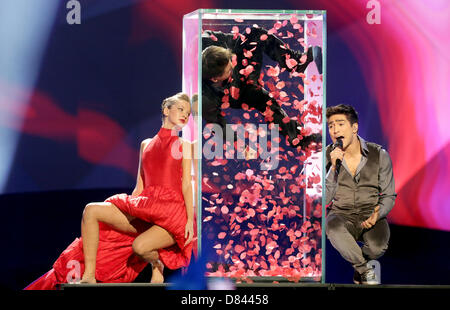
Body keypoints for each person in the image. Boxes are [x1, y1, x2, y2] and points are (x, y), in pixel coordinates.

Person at [25, 93, 195, 289]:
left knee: (139, 247)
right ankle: (89, 275)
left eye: (188, 113)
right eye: (181, 109)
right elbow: (140, 186)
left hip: (171, 213)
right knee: (91, 210)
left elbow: (186, 185)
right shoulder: (146, 145)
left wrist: (189, 219)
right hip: (147, 207)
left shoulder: (184, 145)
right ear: (166, 110)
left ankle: (158, 264)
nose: (185, 115)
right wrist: (131, 210)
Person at [201, 26, 322, 150]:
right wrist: (241, 147)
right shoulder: (205, 96)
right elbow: (217, 126)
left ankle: (296, 62)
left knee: (254, 33)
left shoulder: (208, 41)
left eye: (230, 63)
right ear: (214, 79)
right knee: (265, 102)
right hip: (234, 93)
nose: (233, 66)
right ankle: (301, 140)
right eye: (229, 69)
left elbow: (238, 41)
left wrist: (237, 55)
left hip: (241, 59)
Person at [325, 104, 396, 285]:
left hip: (370, 213)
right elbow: (324, 199)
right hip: (341, 213)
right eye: (331, 125)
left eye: (340, 124)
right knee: (332, 229)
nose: (334, 130)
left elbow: (388, 195)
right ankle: (365, 270)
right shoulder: (326, 155)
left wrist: (378, 214)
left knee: (378, 247)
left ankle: (359, 272)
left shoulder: (379, 154)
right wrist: (333, 167)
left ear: (354, 127)